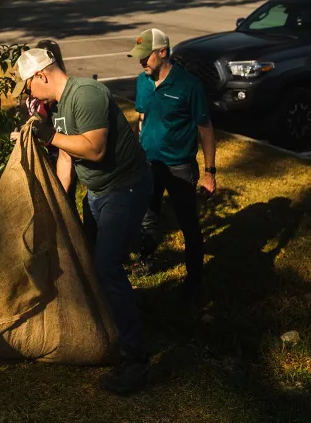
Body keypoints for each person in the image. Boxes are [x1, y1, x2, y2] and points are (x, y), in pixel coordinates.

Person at [15, 47, 152, 396]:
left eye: (28, 86)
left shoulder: (87, 94)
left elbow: (93, 149)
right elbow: (66, 155)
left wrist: (46, 135)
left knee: (106, 266)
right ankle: (112, 328)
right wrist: (60, 202)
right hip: (98, 191)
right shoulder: (60, 107)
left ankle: (136, 359)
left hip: (126, 188)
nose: (30, 95)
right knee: (92, 260)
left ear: (41, 75)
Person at [129, 29, 216, 297]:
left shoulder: (188, 86)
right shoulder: (143, 82)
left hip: (180, 167)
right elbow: (140, 118)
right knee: (147, 217)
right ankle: (146, 260)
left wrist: (210, 172)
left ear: (163, 53)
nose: (141, 62)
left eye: (146, 57)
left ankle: (194, 280)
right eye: (139, 58)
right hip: (149, 165)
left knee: (188, 223)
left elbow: (205, 129)